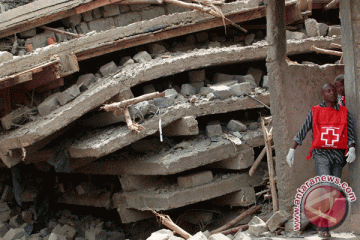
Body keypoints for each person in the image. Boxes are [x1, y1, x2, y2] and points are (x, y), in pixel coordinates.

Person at [286, 83, 356, 238]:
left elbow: (350, 132)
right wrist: (293, 149)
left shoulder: (344, 112)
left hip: (338, 156)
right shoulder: (315, 111)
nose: (333, 93)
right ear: (323, 94)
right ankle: (323, 227)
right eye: (328, 91)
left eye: (333, 90)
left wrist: (351, 147)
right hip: (321, 154)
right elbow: (303, 130)